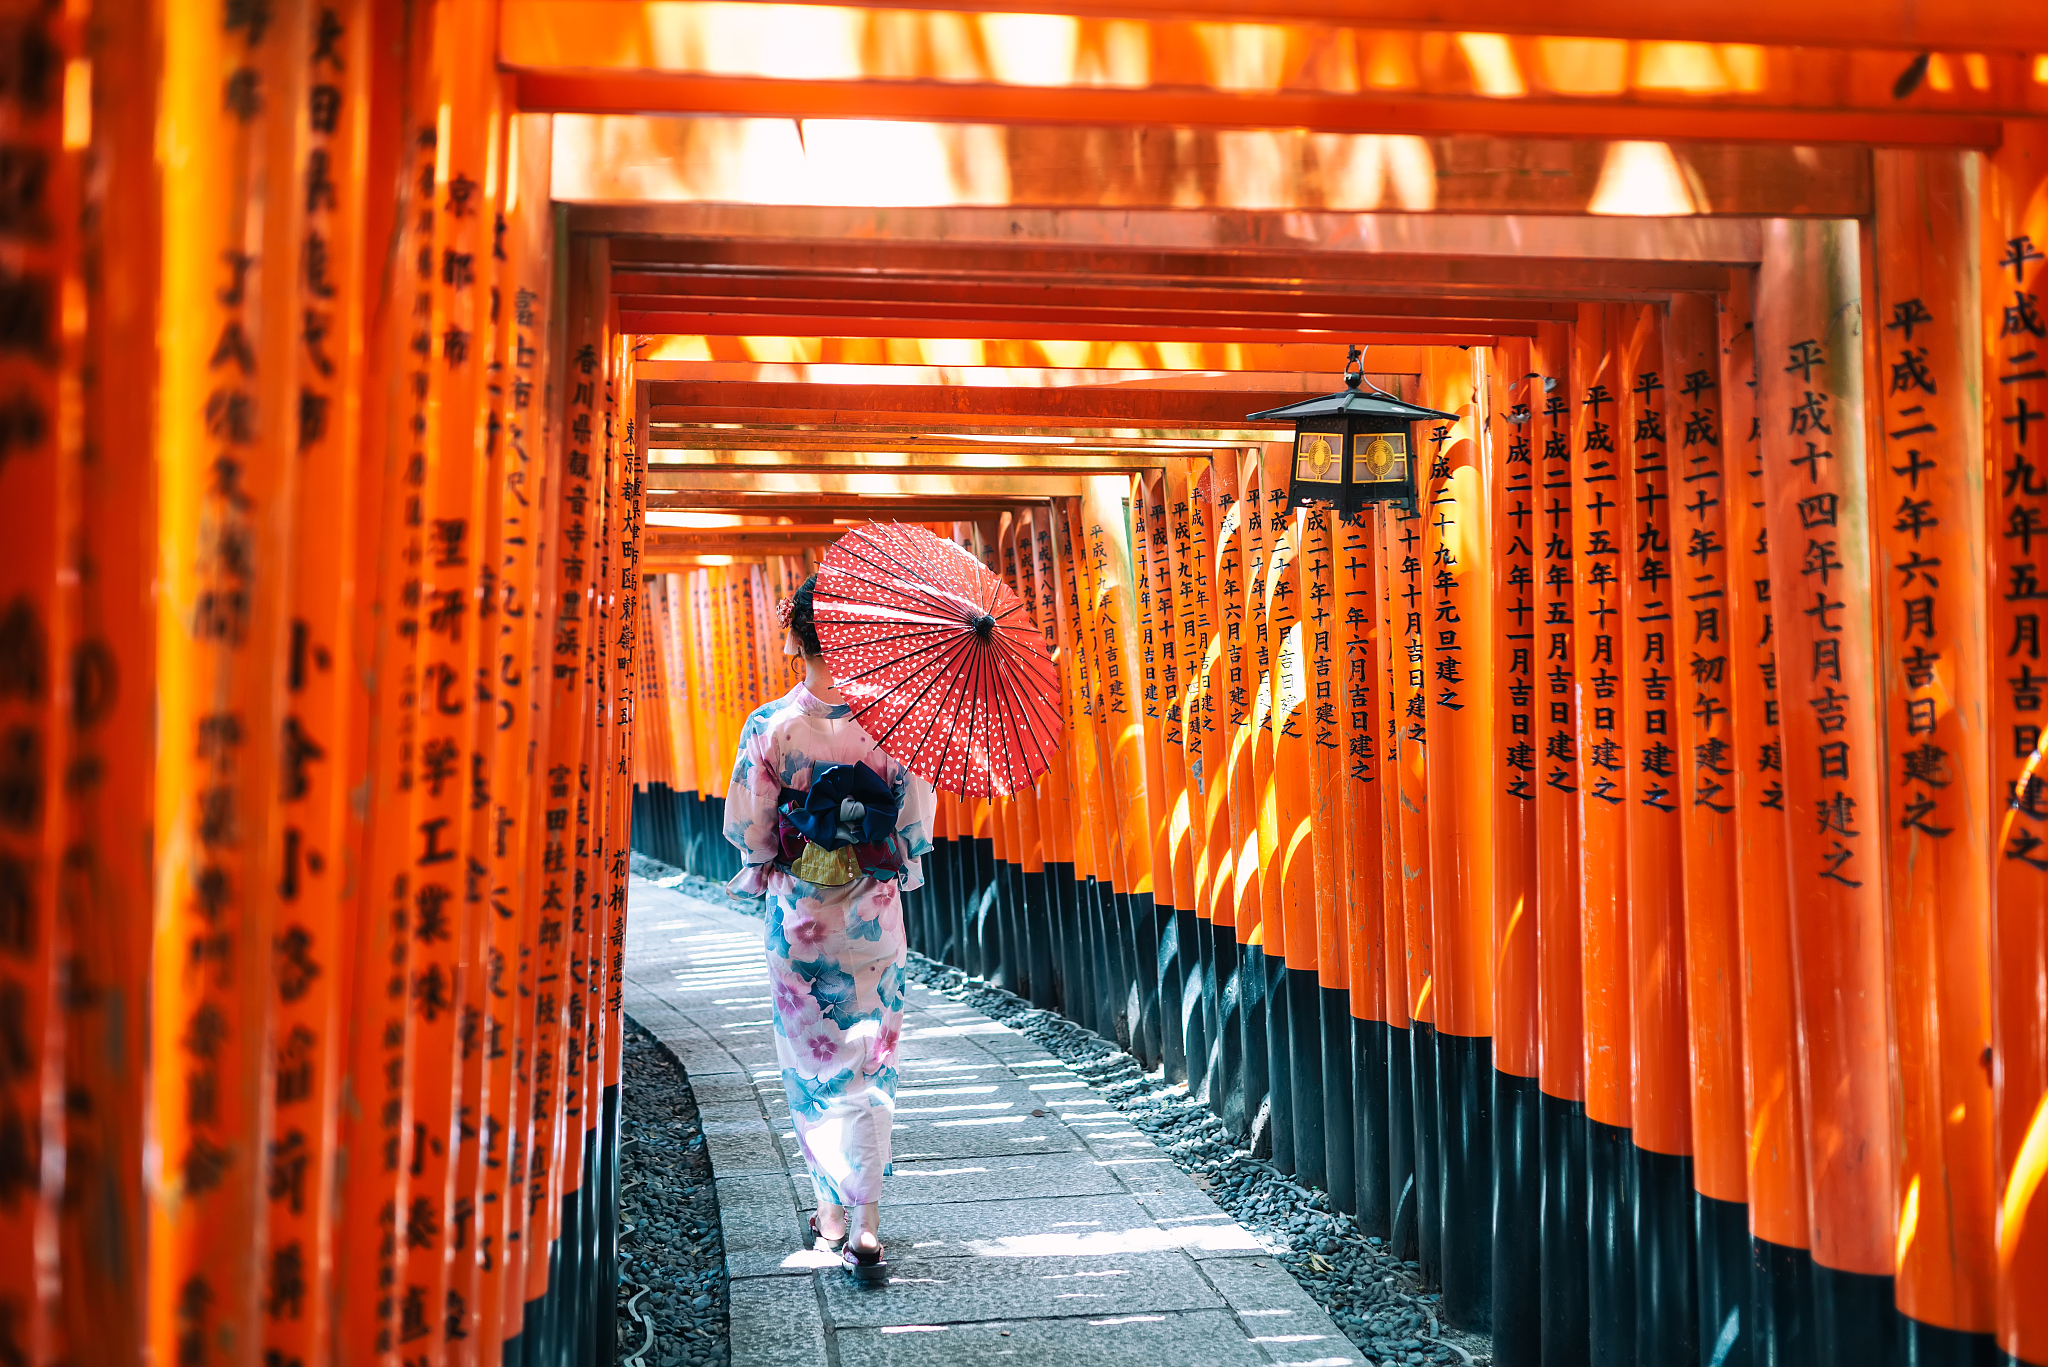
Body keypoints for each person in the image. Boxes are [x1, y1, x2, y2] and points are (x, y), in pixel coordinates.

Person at [722, 573, 936, 1279]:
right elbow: (912, 826)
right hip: (873, 919)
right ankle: (868, 1226)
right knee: (871, 1063)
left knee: (813, 1069)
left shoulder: (771, 726)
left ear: (797, 636)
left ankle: (833, 1217)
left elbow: (751, 834)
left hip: (799, 919)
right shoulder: (894, 720)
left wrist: (790, 842)